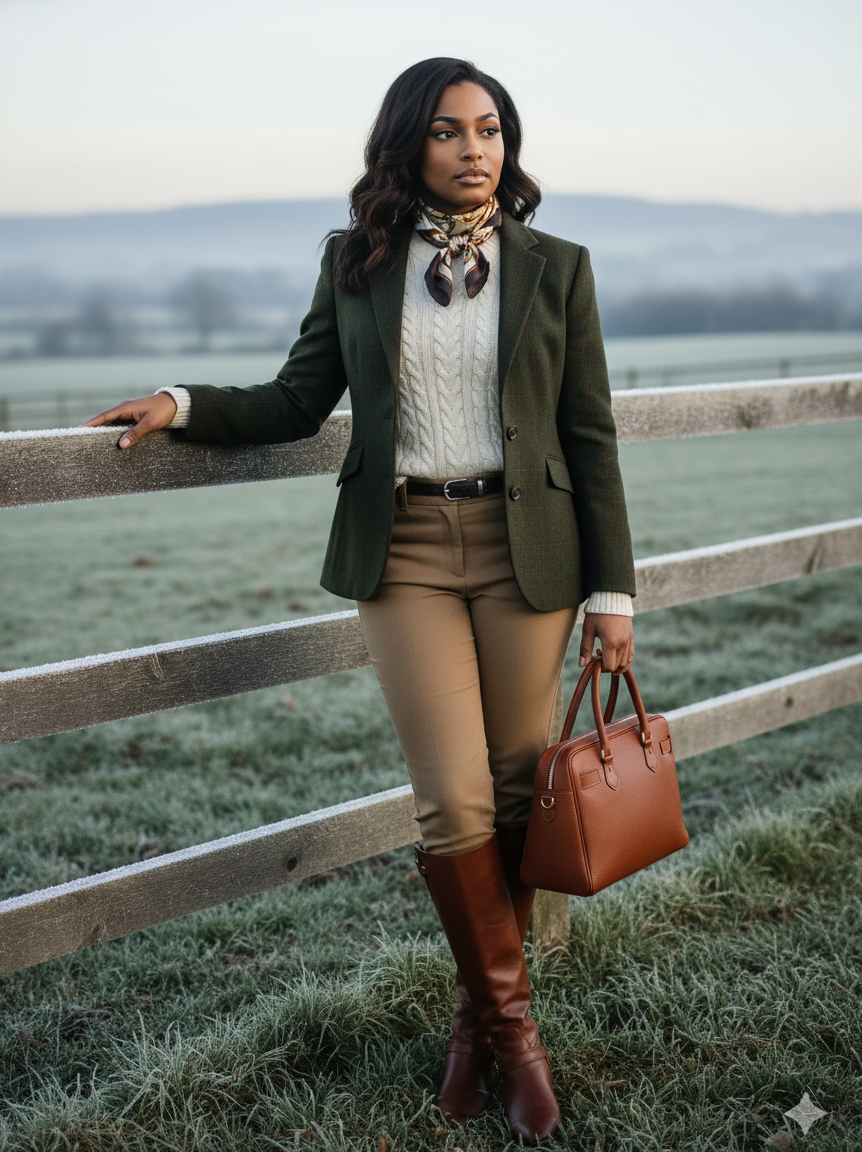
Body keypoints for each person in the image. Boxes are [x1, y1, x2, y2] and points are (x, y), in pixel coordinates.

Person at [84, 57, 636, 1144]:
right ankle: (514, 1036)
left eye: (489, 130)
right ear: (407, 146)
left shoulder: (557, 267)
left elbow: (590, 434)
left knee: (522, 788)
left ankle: (476, 1025)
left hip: (533, 546)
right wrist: (182, 402)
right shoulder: (357, 261)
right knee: (453, 801)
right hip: (406, 547)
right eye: (447, 131)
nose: (474, 148)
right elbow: (298, 399)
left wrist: (614, 589)